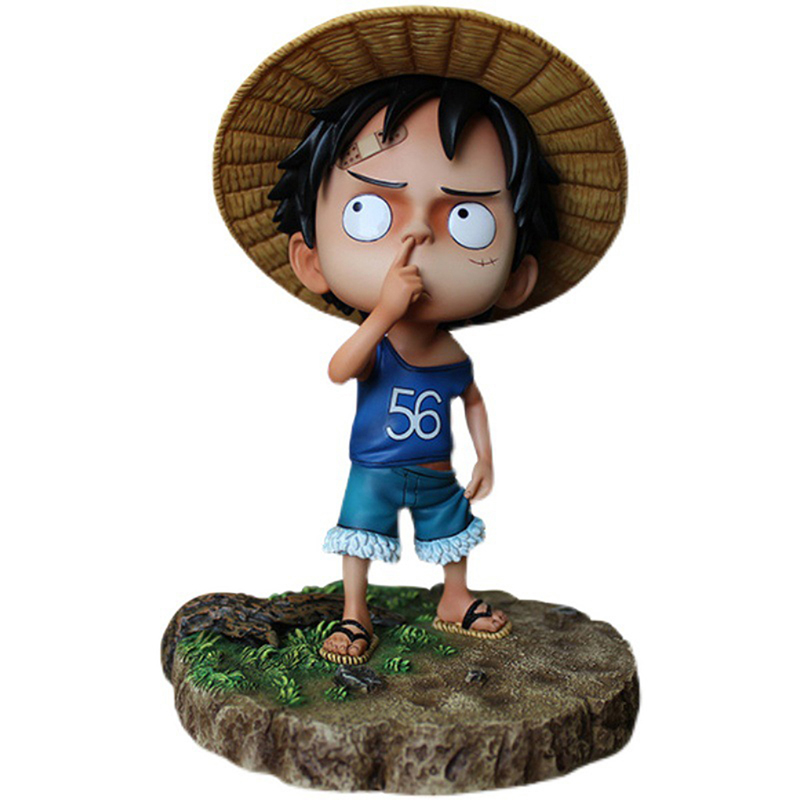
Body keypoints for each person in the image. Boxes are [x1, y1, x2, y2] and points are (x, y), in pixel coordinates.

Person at [214, 8, 627, 664]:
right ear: (310, 260)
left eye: (466, 218)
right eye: (370, 211)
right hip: (375, 469)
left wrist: (485, 457)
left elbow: (472, 399)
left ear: (517, 278)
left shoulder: (453, 354)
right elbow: (340, 369)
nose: (417, 235)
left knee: (452, 533)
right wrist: (382, 312)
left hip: (437, 471)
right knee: (358, 536)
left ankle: (454, 597)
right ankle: (354, 613)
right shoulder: (379, 340)